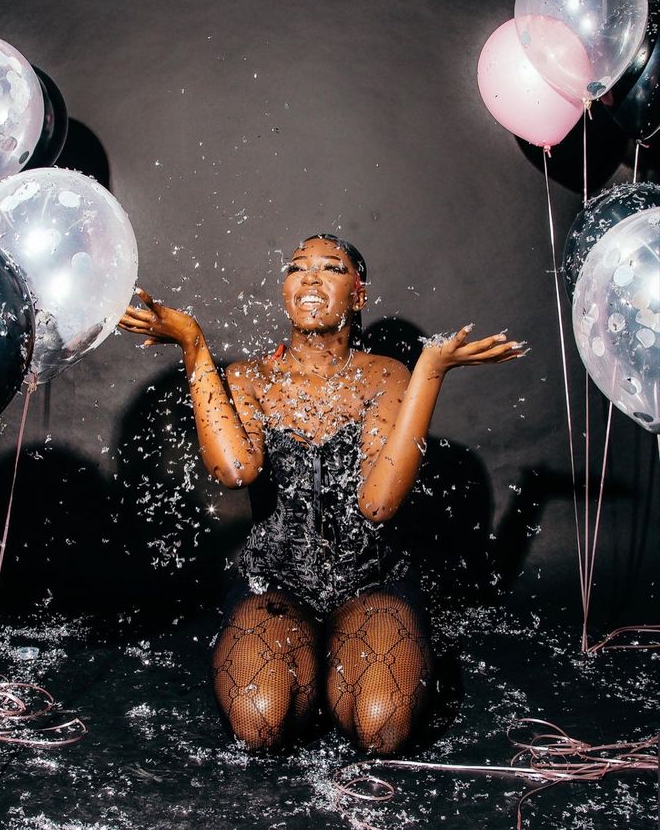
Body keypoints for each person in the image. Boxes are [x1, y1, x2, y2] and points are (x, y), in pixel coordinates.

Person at [119, 234, 525, 755]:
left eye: (330, 268)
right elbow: (234, 470)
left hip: (371, 583)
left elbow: (378, 503)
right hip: (274, 585)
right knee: (257, 722)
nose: (309, 277)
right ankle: (309, 658)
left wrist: (430, 371)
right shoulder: (249, 377)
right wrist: (194, 345)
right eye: (297, 268)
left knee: (382, 727)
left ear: (358, 294)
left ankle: (343, 655)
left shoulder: (385, 374)